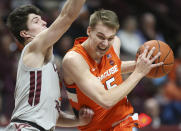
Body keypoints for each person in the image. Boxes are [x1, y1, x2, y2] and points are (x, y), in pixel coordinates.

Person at [62, 9, 163, 131]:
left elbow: (113, 67)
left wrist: (140, 64)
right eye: (100, 37)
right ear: (89, 31)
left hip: (125, 123)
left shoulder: (115, 43)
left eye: (110, 38)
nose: (105, 44)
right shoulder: (74, 59)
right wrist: (139, 72)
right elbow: (106, 100)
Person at [5, 0, 94, 131]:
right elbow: (67, 16)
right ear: (25, 33)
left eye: (42, 19)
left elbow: (52, 116)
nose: (44, 22)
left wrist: (78, 120)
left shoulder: (47, 65)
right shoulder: (32, 48)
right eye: (36, 21)